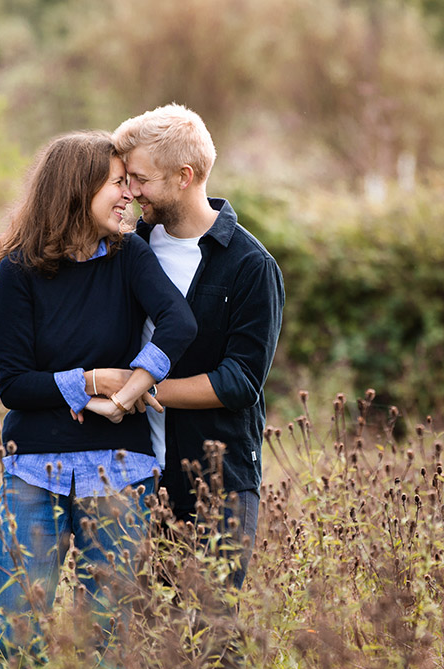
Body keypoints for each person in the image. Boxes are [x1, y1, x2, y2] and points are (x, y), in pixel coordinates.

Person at [0, 131, 197, 669]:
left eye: (131, 183)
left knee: (111, 635)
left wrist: (131, 391)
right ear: (77, 190)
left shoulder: (130, 257)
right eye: (117, 184)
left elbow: (180, 321)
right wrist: (90, 381)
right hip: (35, 470)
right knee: (17, 632)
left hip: (120, 470)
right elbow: (13, 384)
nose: (129, 195)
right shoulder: (19, 270)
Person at [92, 104, 284, 590]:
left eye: (140, 179)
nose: (130, 192)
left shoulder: (249, 266)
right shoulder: (125, 247)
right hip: (132, 474)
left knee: (210, 636)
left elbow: (241, 381)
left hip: (216, 480)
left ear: (184, 176)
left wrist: (142, 390)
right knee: (141, 637)